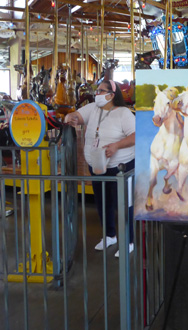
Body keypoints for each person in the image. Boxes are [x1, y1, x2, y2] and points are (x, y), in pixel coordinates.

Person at [64, 79, 135, 257]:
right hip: (97, 165)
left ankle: (129, 240)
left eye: (101, 91)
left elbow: (136, 135)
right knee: (103, 202)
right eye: (97, 91)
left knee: (124, 204)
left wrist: (117, 146)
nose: (97, 94)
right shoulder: (93, 109)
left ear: (111, 95)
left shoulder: (124, 113)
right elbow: (78, 116)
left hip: (121, 167)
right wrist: (70, 117)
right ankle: (110, 235)